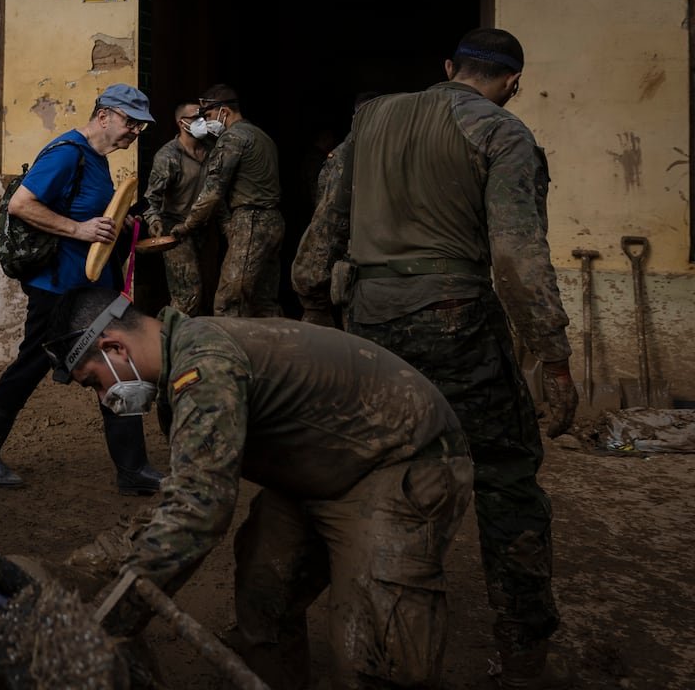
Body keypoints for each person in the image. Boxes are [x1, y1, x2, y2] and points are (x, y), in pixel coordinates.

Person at [291, 27, 578, 688]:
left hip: (370, 321)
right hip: (460, 322)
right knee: (506, 474)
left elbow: (323, 230)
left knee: (370, 467)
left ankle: (339, 622)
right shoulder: (503, 132)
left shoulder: (370, 121)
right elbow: (514, 255)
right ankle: (522, 648)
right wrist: (553, 358)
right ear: (513, 83)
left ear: (449, 68)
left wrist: (314, 305)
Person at [43, 287, 474, 689]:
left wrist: (114, 616)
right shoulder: (181, 374)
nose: (103, 398)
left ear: (114, 347)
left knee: (377, 650)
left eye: (94, 383)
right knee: (265, 589)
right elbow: (183, 496)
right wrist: (96, 564)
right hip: (321, 465)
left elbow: (199, 513)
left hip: (400, 458)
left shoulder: (205, 365)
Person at [0, 84, 165, 496]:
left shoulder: (97, 160)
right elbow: (22, 204)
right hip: (57, 290)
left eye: (140, 127)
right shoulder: (66, 153)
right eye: (130, 122)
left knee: (118, 366)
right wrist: (80, 229)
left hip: (94, 289)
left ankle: (132, 469)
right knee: (30, 366)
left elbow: (91, 214)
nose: (134, 133)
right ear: (104, 116)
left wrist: (118, 225)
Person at [171, 84, 283, 317]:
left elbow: (213, 191)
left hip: (250, 221)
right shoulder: (261, 136)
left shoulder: (232, 138)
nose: (206, 122)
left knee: (228, 303)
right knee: (264, 302)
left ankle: (230, 352)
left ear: (224, 111)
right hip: (273, 221)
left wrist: (188, 225)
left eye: (208, 115)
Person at [141, 100, 213, 315]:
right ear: (182, 123)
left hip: (206, 228)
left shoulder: (212, 150)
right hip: (176, 230)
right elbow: (151, 197)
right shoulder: (168, 156)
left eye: (204, 116)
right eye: (196, 117)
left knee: (211, 288)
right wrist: (154, 222)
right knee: (187, 293)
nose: (202, 121)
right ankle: (169, 342)